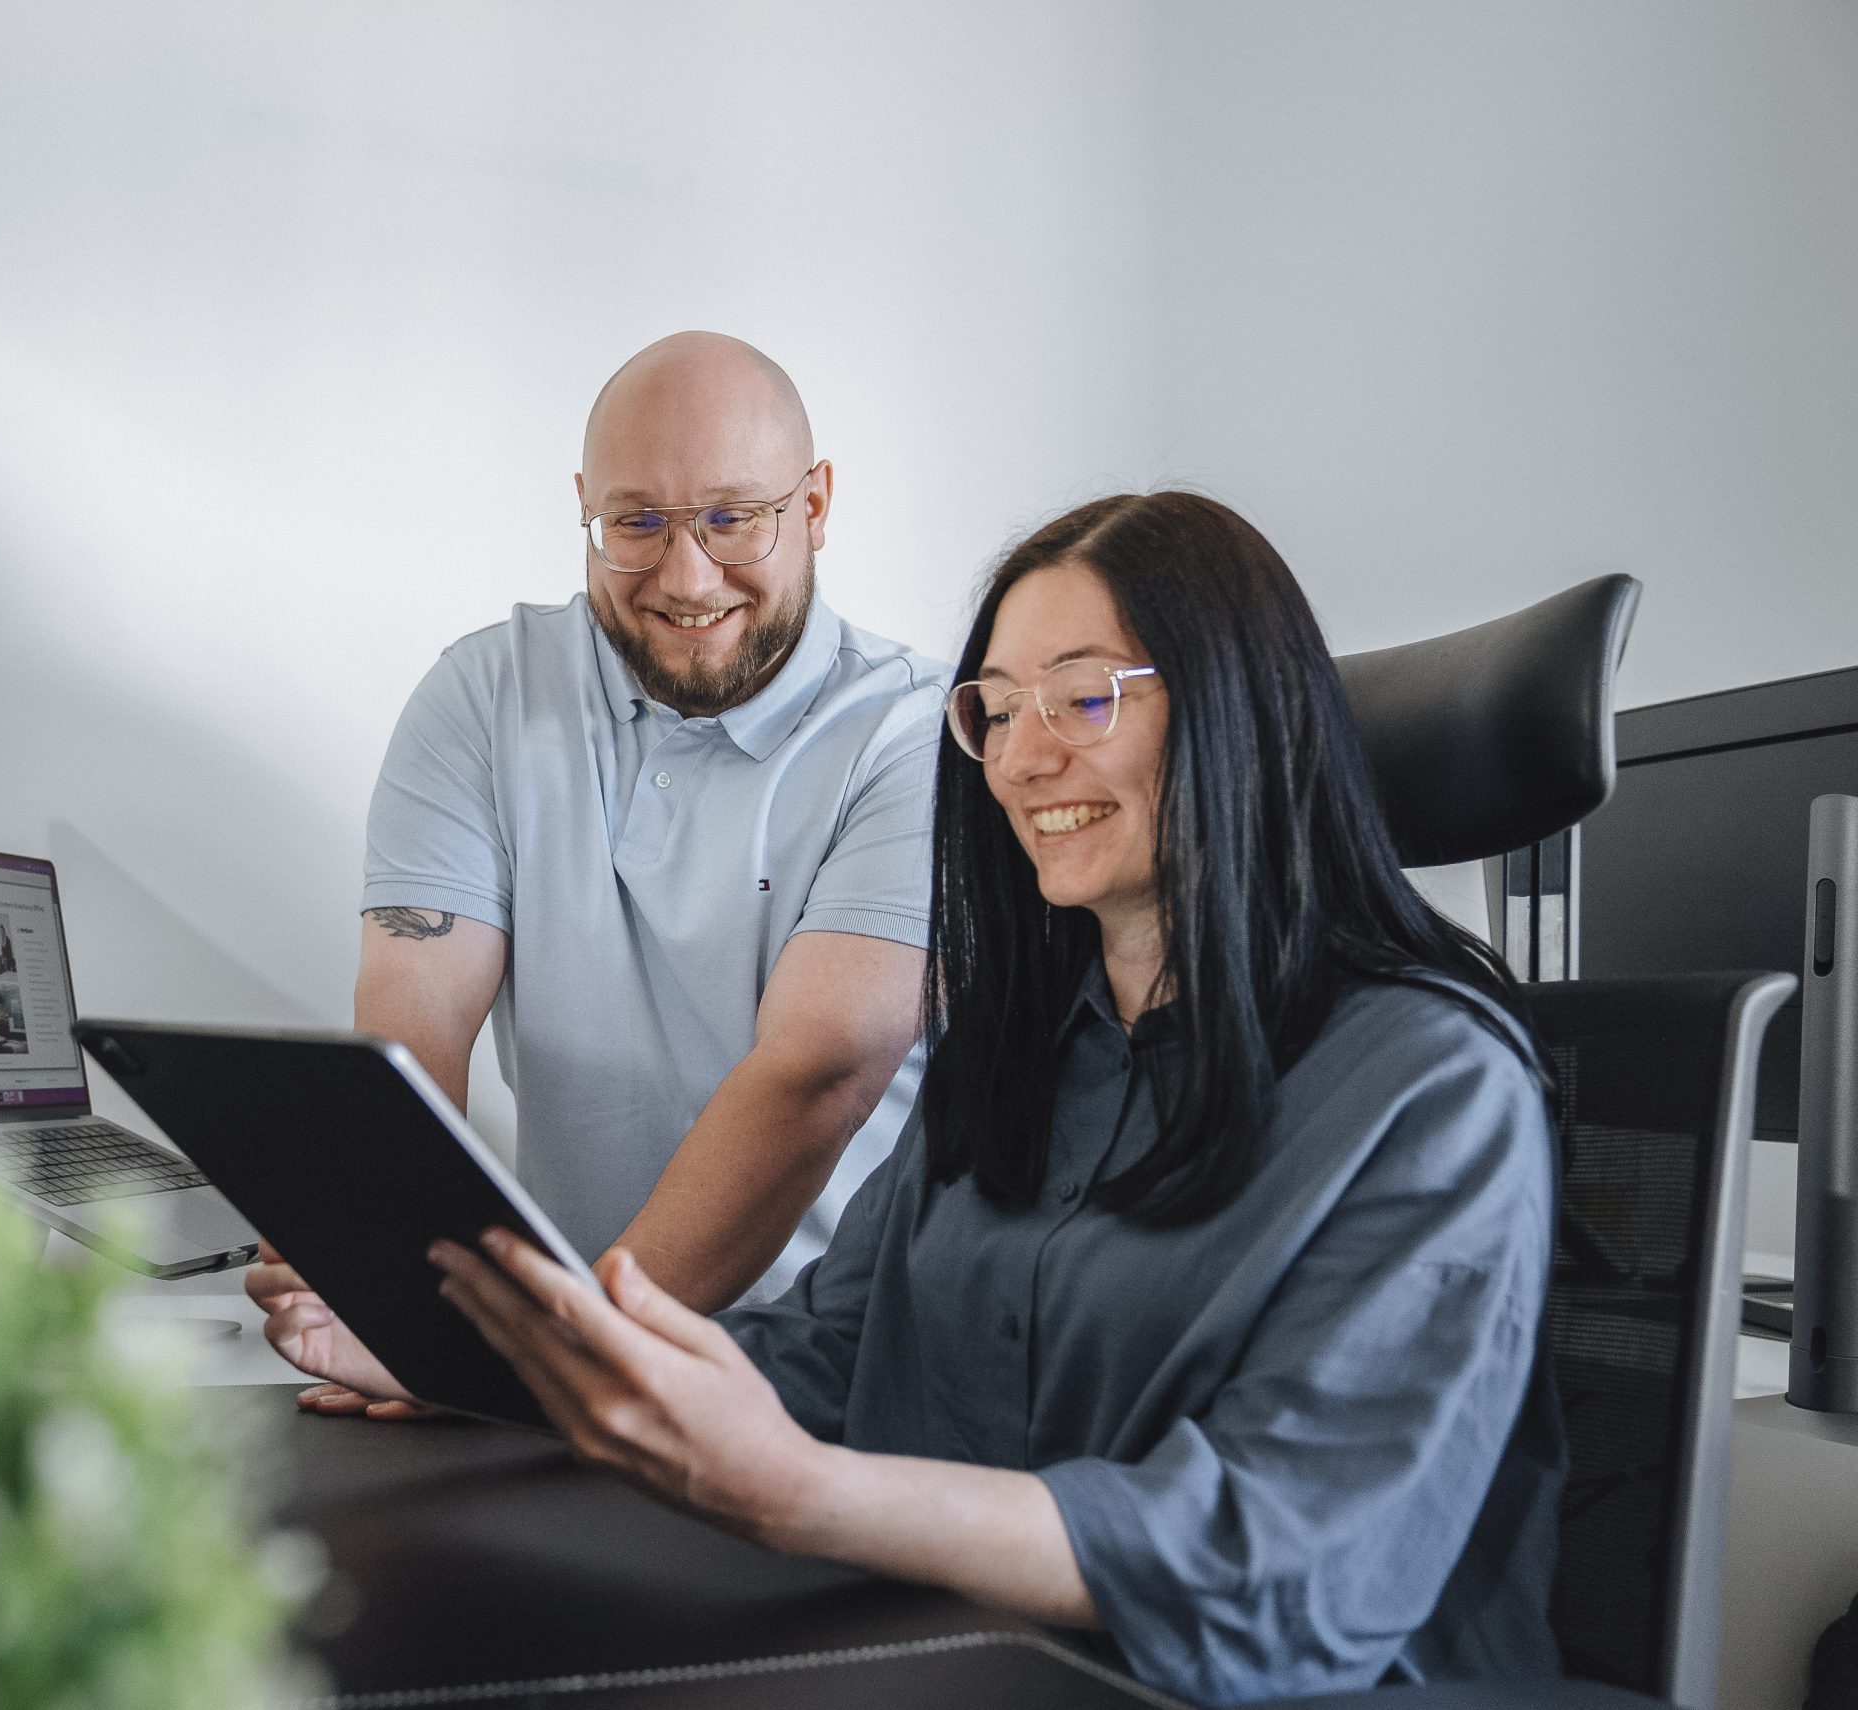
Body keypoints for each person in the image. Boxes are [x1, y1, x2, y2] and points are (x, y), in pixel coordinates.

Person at [410, 491, 1565, 1704]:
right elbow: (833, 1355)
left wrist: (805, 1495)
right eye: (997, 710)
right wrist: (480, 1355)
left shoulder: (1435, 1090)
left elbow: (1278, 1563)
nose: (1019, 759)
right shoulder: (1015, 1052)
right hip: (986, 1657)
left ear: (1236, 713)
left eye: (1082, 697)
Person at [260, 332, 946, 1417]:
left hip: (826, 1383)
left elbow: (815, 1078)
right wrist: (383, 1284)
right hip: (559, 1374)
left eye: (733, 518)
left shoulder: (922, 734)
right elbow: (410, 1028)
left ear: (814, 505)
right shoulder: (483, 694)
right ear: (585, 508)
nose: (686, 576)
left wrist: (550, 1351)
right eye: (636, 524)